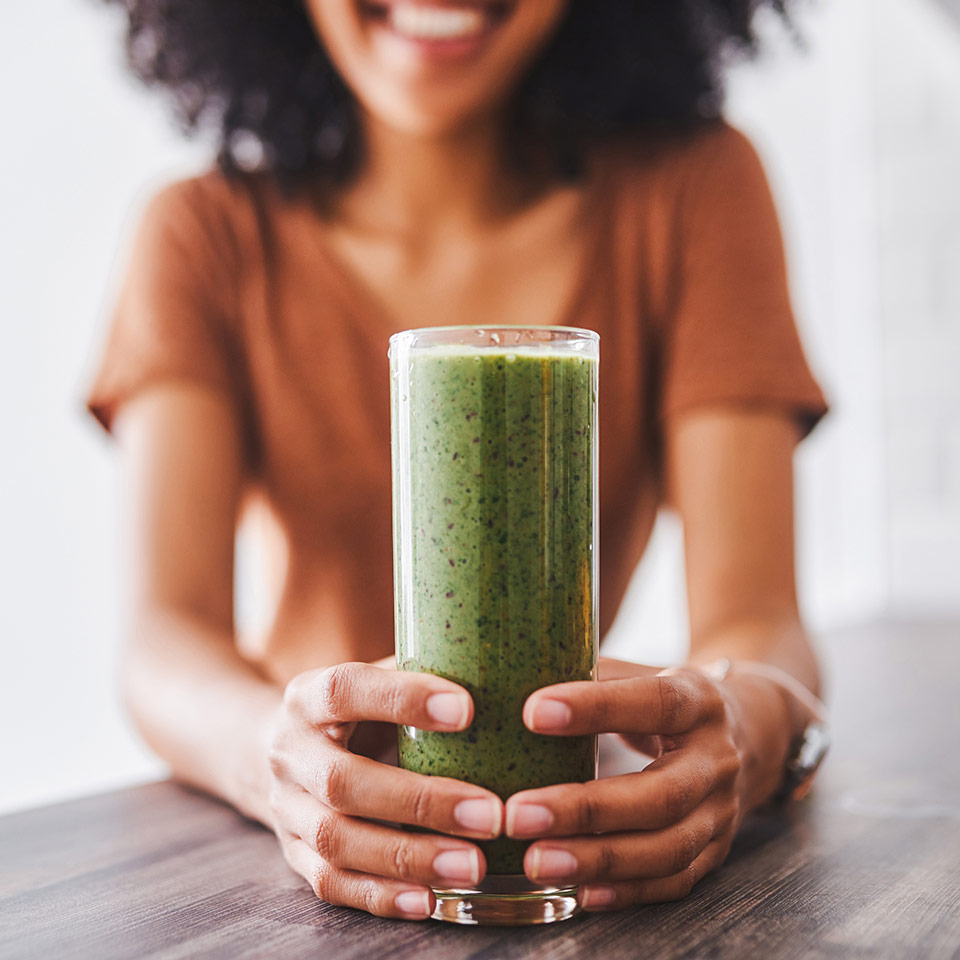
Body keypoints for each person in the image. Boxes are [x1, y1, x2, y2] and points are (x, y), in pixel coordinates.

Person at [88, 0, 830, 921]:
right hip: (316, 881)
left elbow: (757, 619)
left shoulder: (693, 189)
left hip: (556, 839)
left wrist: (744, 740)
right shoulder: (204, 232)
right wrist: (276, 767)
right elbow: (164, 639)